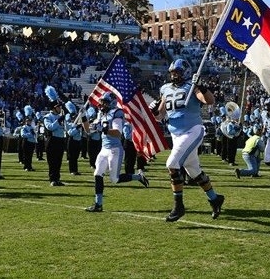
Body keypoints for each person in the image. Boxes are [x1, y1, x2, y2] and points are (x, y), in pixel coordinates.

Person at [151, 58, 224, 222]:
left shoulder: (192, 87)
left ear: (185, 72)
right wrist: (154, 111)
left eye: (177, 72)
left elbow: (210, 101)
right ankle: (215, 198)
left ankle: (179, 206)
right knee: (193, 171)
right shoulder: (165, 89)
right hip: (176, 135)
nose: (174, 75)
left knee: (172, 164)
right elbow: (160, 116)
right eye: (172, 72)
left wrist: (201, 86)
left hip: (193, 130)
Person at [84, 92, 149, 212]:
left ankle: (138, 176)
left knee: (115, 179)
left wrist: (103, 129)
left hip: (115, 150)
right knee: (97, 174)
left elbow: (118, 133)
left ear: (112, 102)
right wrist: (83, 118)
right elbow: (88, 131)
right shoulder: (101, 115)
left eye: (104, 102)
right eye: (101, 101)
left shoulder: (116, 113)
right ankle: (98, 204)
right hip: (104, 149)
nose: (102, 104)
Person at [43, 86, 67, 187]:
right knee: (52, 161)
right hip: (52, 141)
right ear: (53, 108)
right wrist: (59, 120)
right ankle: (52, 179)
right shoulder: (48, 117)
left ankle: (57, 179)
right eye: (58, 107)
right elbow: (50, 127)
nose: (60, 108)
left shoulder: (59, 116)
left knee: (58, 161)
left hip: (60, 140)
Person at [64, 101, 83, 176]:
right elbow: (70, 133)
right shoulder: (69, 124)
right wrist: (77, 128)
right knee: (72, 157)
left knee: (76, 156)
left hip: (77, 141)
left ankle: (75, 170)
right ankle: (72, 170)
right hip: (72, 141)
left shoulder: (76, 124)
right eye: (73, 116)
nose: (74, 117)